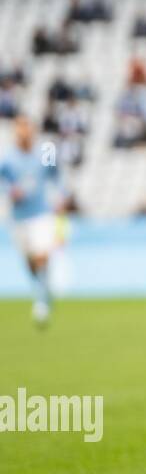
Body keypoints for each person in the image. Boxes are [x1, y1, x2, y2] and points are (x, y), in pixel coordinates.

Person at [0, 116, 64, 326]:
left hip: (41, 213)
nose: (25, 133)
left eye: (28, 129)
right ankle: (43, 289)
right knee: (29, 261)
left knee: (41, 255)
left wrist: (60, 195)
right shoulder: (8, 159)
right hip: (19, 217)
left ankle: (42, 301)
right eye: (21, 130)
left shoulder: (45, 152)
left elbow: (55, 175)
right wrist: (10, 191)